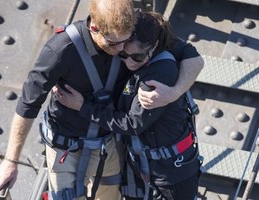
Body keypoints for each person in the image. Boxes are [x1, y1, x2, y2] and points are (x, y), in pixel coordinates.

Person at [0, 0, 203, 200]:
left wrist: (174, 93)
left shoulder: (135, 29)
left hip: (108, 139)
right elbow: (28, 105)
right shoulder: (60, 51)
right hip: (65, 141)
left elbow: (192, 57)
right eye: (116, 46)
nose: (123, 51)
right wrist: (11, 161)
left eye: (127, 41)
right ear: (94, 28)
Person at [53, 11, 202, 200]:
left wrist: (82, 107)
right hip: (142, 167)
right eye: (123, 54)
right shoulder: (128, 37)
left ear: (154, 46)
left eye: (137, 58)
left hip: (170, 174)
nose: (129, 62)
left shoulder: (157, 79)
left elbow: (132, 124)